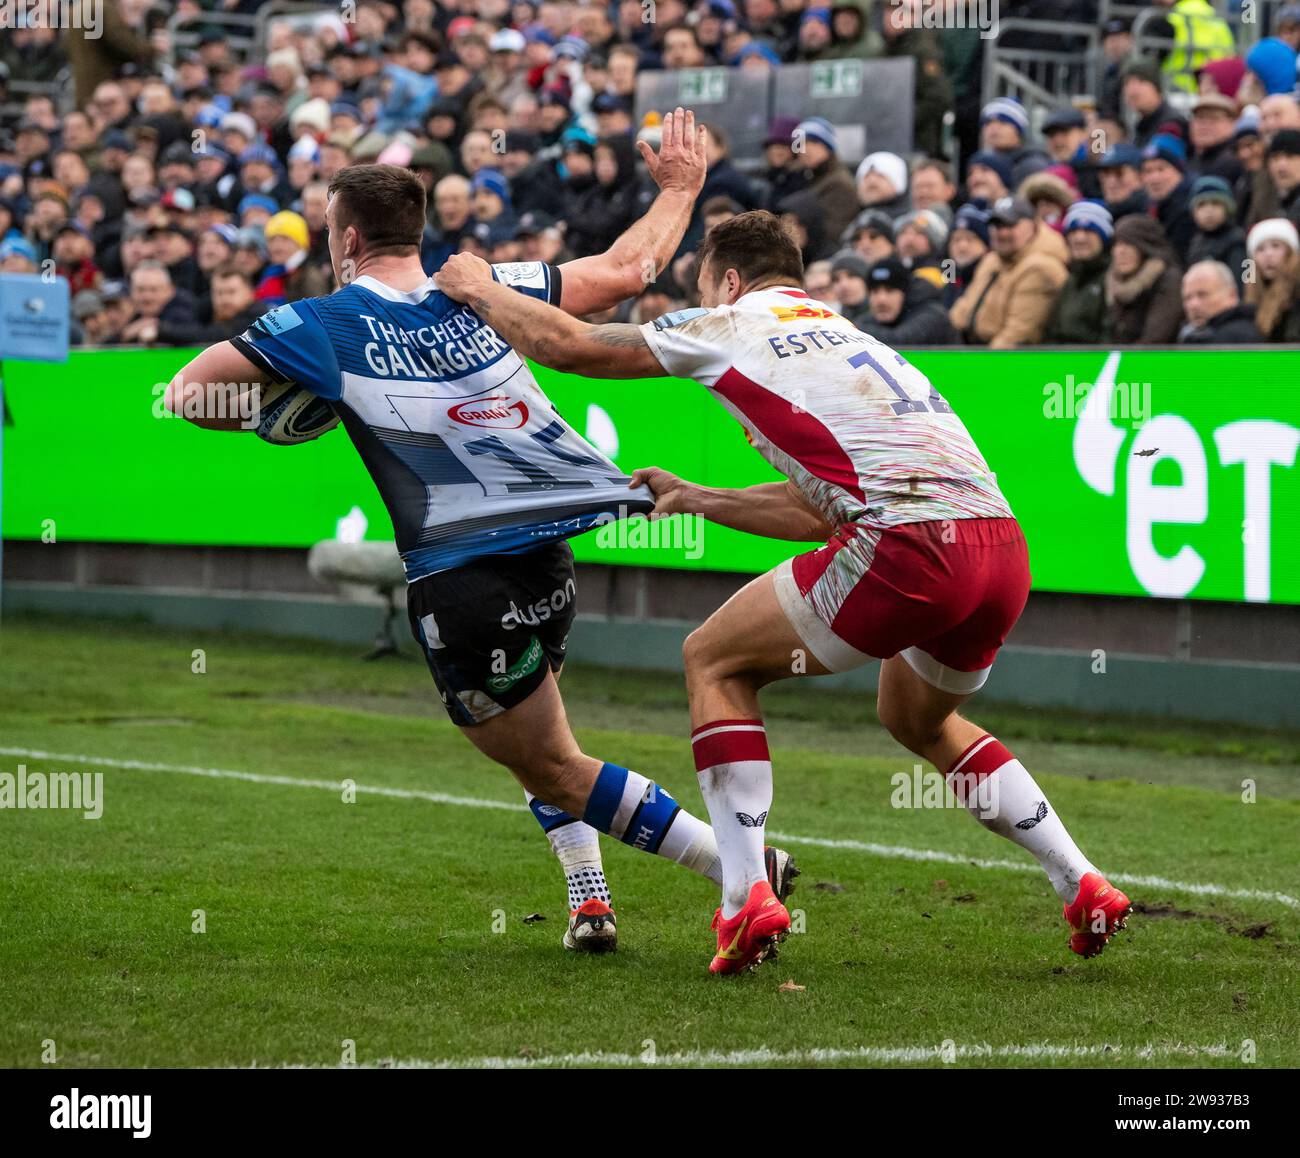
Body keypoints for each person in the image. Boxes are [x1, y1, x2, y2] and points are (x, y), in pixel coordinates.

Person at [164, 114, 797, 958]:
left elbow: (185, 395)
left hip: (460, 570)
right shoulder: (484, 286)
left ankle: (745, 876)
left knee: (551, 763)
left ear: (345, 236)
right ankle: (590, 896)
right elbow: (624, 271)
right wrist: (681, 186)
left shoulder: (317, 323)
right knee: (543, 739)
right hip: (550, 551)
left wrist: (278, 413)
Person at [435, 209, 1134, 973]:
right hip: (998, 549)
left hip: (908, 545)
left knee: (714, 660)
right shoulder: (848, 333)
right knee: (916, 719)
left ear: (728, 281)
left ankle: (743, 899)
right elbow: (816, 508)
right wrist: (701, 497)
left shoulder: (732, 323)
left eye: (704, 283)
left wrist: (477, 286)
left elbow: (567, 345)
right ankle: (1082, 882)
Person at [949, 196, 1069, 348]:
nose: (1002, 233)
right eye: (997, 226)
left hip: (1015, 361)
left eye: (1009, 225)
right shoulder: (991, 260)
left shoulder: (1040, 267)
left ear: (1032, 226)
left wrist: (979, 364)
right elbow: (961, 311)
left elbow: (1018, 333)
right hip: (974, 349)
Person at [1104, 214, 1185, 344]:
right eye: (1117, 244)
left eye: (1129, 244)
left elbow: (1155, 339)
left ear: (1146, 247)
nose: (1120, 251)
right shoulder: (1113, 282)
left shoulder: (1169, 279)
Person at [1045, 201, 1114, 345]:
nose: (1079, 238)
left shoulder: (1112, 278)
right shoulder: (1071, 278)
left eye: (1089, 231)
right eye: (1073, 231)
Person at [859, 256, 956, 345]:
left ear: (905, 293)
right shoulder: (869, 319)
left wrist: (854, 331)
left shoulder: (932, 313)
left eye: (890, 291)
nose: (881, 299)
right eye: (875, 292)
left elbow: (899, 341)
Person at [1244, 217, 1300, 341]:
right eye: (1260, 249)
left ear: (1291, 253)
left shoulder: (1296, 298)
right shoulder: (1250, 301)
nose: (1268, 254)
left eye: (1276, 246)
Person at [1177, 260, 1261, 342]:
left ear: (1231, 295)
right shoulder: (1193, 335)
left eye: (1203, 295)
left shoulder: (1237, 338)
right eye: (1187, 298)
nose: (1193, 305)